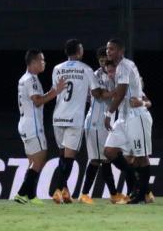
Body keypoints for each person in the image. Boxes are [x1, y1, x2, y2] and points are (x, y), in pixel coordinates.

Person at [102, 38, 153, 205]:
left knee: (140, 157)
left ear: (121, 51)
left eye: (112, 49)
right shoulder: (119, 69)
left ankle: (141, 195)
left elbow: (122, 92)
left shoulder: (124, 66)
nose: (109, 51)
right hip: (124, 118)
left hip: (136, 116)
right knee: (109, 151)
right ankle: (139, 186)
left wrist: (108, 113)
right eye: (108, 49)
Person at [14, 49, 67, 205]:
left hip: (25, 123)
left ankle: (30, 195)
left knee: (33, 161)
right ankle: (21, 193)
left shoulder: (25, 78)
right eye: (42, 60)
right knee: (41, 157)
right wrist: (55, 91)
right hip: (33, 125)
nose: (44, 63)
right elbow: (37, 101)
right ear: (34, 61)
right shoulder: (31, 79)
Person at [50, 39, 99, 204]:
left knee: (62, 156)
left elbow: (59, 91)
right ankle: (57, 190)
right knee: (69, 158)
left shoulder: (57, 69)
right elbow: (95, 92)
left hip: (58, 117)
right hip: (74, 118)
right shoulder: (86, 69)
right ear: (79, 51)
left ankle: (65, 191)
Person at [82, 47, 125, 204]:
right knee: (96, 160)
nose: (102, 64)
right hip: (95, 122)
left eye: (104, 61)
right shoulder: (96, 75)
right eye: (100, 61)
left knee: (105, 159)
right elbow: (98, 94)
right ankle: (85, 194)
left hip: (106, 122)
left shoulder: (115, 73)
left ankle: (113, 195)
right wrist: (117, 92)